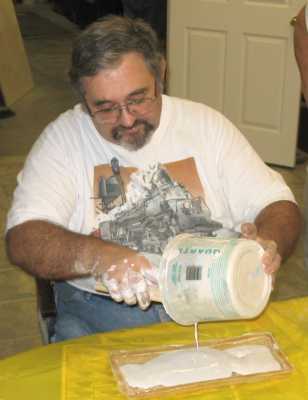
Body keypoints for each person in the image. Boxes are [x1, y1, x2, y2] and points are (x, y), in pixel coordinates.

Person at [5, 15, 301, 342]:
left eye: (137, 99)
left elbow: (277, 204)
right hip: (105, 315)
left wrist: (269, 241)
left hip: (214, 304)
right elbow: (24, 239)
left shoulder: (206, 126)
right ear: (83, 100)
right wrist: (99, 255)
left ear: (161, 74)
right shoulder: (63, 141)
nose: (127, 119)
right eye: (105, 108)